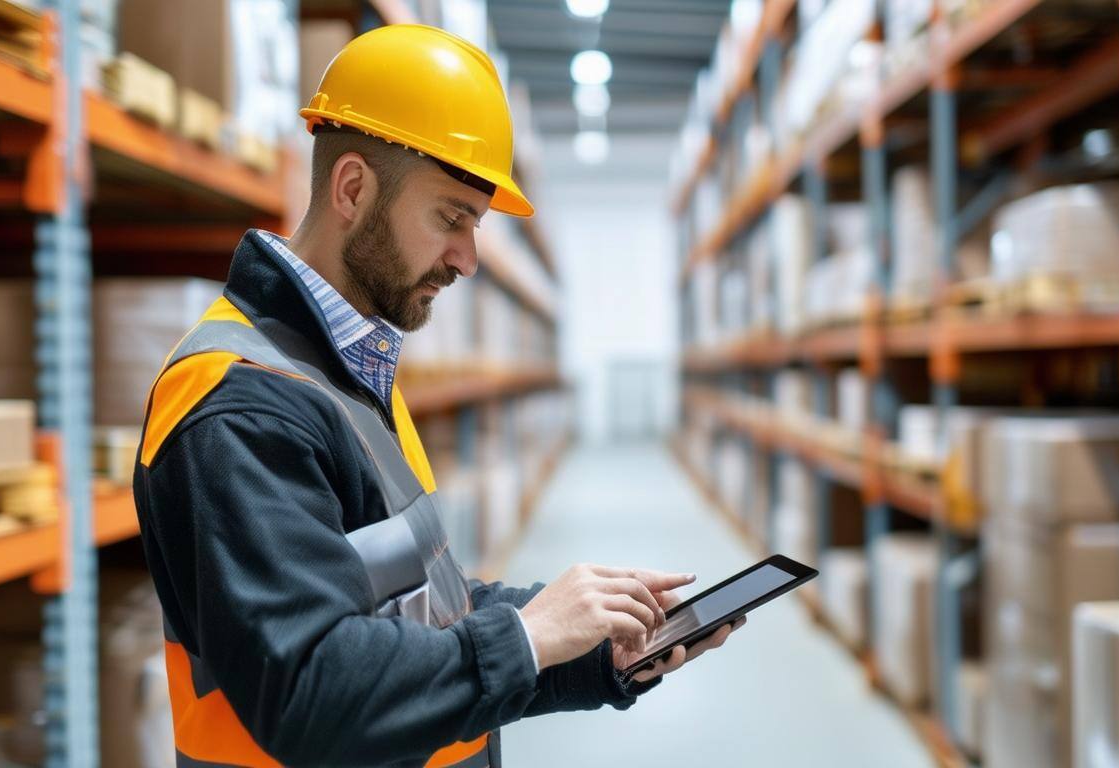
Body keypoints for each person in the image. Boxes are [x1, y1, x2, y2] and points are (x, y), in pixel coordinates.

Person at [133, 24, 742, 768]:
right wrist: (528, 635)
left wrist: (595, 650)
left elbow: (420, 616)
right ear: (351, 188)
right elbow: (308, 691)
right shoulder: (240, 402)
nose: (469, 258)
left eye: (475, 225)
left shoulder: (345, 368)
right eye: (451, 218)